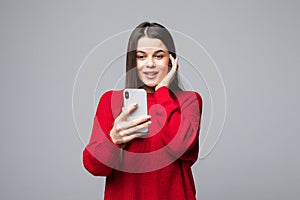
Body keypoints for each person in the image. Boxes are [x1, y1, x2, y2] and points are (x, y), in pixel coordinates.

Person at [82, 22, 203, 200]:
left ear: (171, 60)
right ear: (133, 61)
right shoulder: (110, 101)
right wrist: (114, 139)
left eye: (159, 56)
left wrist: (162, 90)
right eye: (141, 56)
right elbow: (95, 168)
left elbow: (180, 146)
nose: (150, 64)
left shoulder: (189, 100)